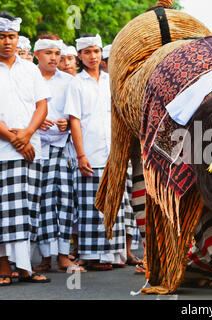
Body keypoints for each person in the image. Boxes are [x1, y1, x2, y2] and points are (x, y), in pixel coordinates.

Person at [64, 33, 127, 271]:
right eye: (87, 52)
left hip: (113, 151)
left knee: (114, 203)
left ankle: (112, 254)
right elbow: (75, 120)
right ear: (79, 56)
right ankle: (91, 256)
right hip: (89, 150)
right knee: (91, 205)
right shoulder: (76, 83)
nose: (93, 56)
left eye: (97, 51)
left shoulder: (111, 81)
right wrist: (81, 155)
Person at [0, 11, 51, 285]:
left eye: (11, 36)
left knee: (29, 208)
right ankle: (3, 267)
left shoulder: (30, 69)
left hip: (32, 148)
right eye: (2, 36)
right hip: (3, 150)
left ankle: (24, 267)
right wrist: (13, 138)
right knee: (4, 210)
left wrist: (28, 133)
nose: (7, 42)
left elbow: (42, 105)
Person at [32, 34, 86, 273]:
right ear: (37, 55)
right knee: (40, 202)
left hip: (62, 147)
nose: (54, 58)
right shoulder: (28, 76)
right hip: (32, 147)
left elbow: (74, 115)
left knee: (64, 200)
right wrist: (34, 122)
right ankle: (45, 257)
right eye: (48, 53)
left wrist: (64, 122)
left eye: (57, 53)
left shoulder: (69, 81)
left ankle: (63, 255)